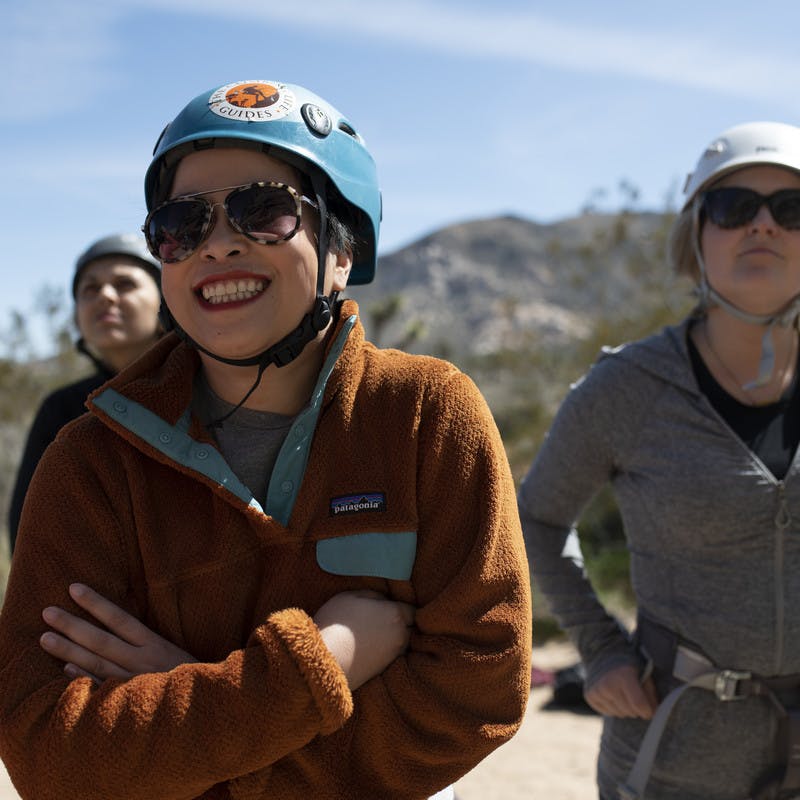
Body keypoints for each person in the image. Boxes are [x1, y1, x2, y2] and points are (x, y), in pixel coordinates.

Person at [0, 79, 531, 800]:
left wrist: (192, 710)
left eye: (264, 210)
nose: (218, 244)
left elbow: (477, 695)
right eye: (183, 223)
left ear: (341, 250)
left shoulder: (423, 416)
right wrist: (325, 665)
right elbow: (44, 749)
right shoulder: (91, 462)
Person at [518, 121, 800, 800]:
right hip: (670, 761)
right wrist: (601, 649)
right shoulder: (629, 389)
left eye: (791, 209)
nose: (762, 224)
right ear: (695, 237)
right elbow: (535, 519)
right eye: (733, 207)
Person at [7, 233, 162, 552]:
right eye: (90, 289)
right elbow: (28, 531)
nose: (105, 295)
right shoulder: (62, 409)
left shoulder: (215, 387)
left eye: (124, 284)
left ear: (167, 302)